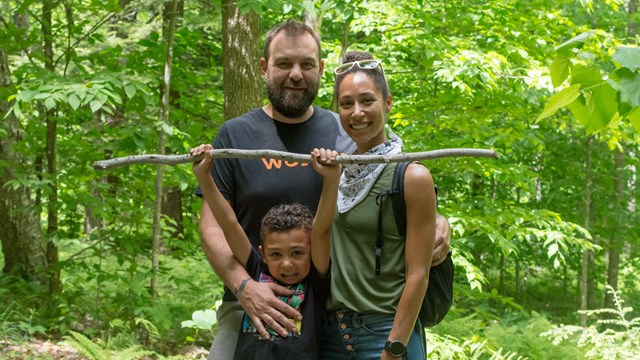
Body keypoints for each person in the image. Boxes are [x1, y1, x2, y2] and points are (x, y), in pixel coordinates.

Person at [196, 19, 452, 360]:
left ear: (320, 68)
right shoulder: (234, 137)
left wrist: (440, 220)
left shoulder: (346, 134)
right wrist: (244, 287)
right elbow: (214, 225)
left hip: (326, 312)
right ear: (264, 67)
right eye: (284, 64)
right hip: (250, 305)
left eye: (306, 64)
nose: (296, 75)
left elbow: (395, 189)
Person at [319, 51, 435, 360]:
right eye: (346, 104)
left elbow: (418, 275)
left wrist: (394, 349)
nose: (357, 113)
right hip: (333, 336)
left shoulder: (412, 176)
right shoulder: (336, 172)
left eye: (367, 100)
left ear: (387, 102)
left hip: (386, 333)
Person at [191, 143, 340, 359]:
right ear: (262, 253)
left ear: (311, 250)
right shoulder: (257, 270)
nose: (287, 263)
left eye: (297, 253)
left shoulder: (316, 280)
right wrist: (204, 177)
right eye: (276, 255)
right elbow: (229, 223)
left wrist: (331, 179)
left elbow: (321, 229)